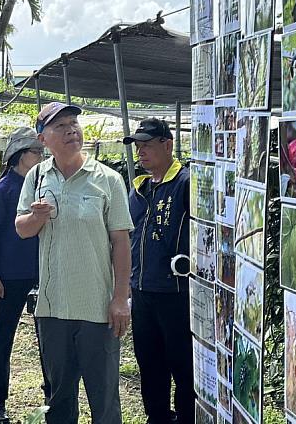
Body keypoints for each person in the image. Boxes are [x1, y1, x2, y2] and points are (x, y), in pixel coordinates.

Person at [15, 102, 132, 424]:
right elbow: (22, 230)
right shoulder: (37, 177)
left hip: (97, 307)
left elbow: (121, 242)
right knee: (59, 399)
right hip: (53, 309)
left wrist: (120, 298)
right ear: (43, 138)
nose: (71, 130)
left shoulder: (107, 179)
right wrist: (36, 218)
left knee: (104, 399)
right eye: (60, 126)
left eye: (74, 124)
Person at [124, 118, 194, 424]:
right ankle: (157, 417)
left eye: (147, 146)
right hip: (141, 289)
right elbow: (126, 236)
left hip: (175, 292)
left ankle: (188, 418)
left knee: (182, 365)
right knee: (149, 364)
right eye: (138, 147)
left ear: (168, 145)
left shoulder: (186, 183)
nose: (141, 152)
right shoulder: (139, 189)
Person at [0, 127, 44, 424]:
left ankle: (52, 396)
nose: (41, 156)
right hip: (11, 274)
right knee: (4, 336)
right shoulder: (3, 189)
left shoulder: (42, 185)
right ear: (21, 156)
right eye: (36, 152)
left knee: (47, 337)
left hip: (41, 272)